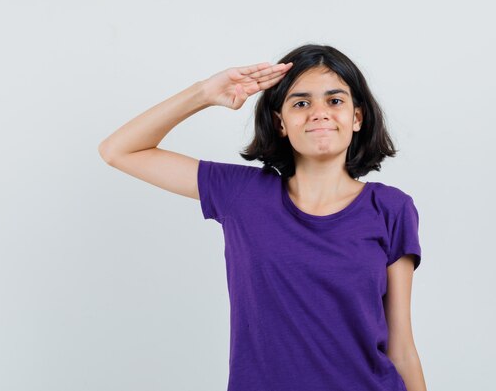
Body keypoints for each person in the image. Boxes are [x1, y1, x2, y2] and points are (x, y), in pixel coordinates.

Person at [98, 43, 427, 391]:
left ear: (356, 117)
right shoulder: (242, 194)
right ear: (280, 122)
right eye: (301, 103)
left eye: (335, 100)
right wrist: (205, 93)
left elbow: (402, 348)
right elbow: (119, 150)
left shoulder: (391, 208)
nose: (319, 112)